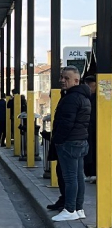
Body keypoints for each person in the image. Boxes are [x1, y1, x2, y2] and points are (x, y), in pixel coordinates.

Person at [51, 66, 91, 222]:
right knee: (78, 177)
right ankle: (79, 208)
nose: (62, 80)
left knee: (70, 178)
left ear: (76, 80)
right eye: (61, 77)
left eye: (66, 78)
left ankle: (69, 209)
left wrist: (58, 140)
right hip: (81, 141)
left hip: (69, 143)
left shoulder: (71, 98)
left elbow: (66, 122)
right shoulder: (84, 97)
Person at [84, 75, 97, 183]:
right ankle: (91, 173)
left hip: (92, 128)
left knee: (91, 151)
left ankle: (92, 173)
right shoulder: (89, 97)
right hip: (91, 128)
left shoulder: (89, 98)